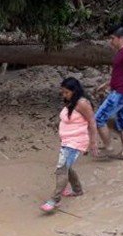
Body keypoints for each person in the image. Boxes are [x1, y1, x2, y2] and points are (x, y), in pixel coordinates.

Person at [40, 77, 99, 214]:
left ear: (75, 90)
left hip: (75, 142)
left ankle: (54, 200)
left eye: (66, 92)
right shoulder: (71, 101)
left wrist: (93, 142)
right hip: (67, 141)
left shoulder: (82, 103)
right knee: (67, 167)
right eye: (63, 92)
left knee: (61, 169)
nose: (64, 95)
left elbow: (92, 122)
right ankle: (77, 190)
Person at [94, 27, 123, 160]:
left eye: (112, 38)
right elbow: (122, 73)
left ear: (121, 38)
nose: (110, 41)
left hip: (121, 93)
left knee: (98, 118)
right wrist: (107, 84)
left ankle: (108, 147)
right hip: (122, 91)